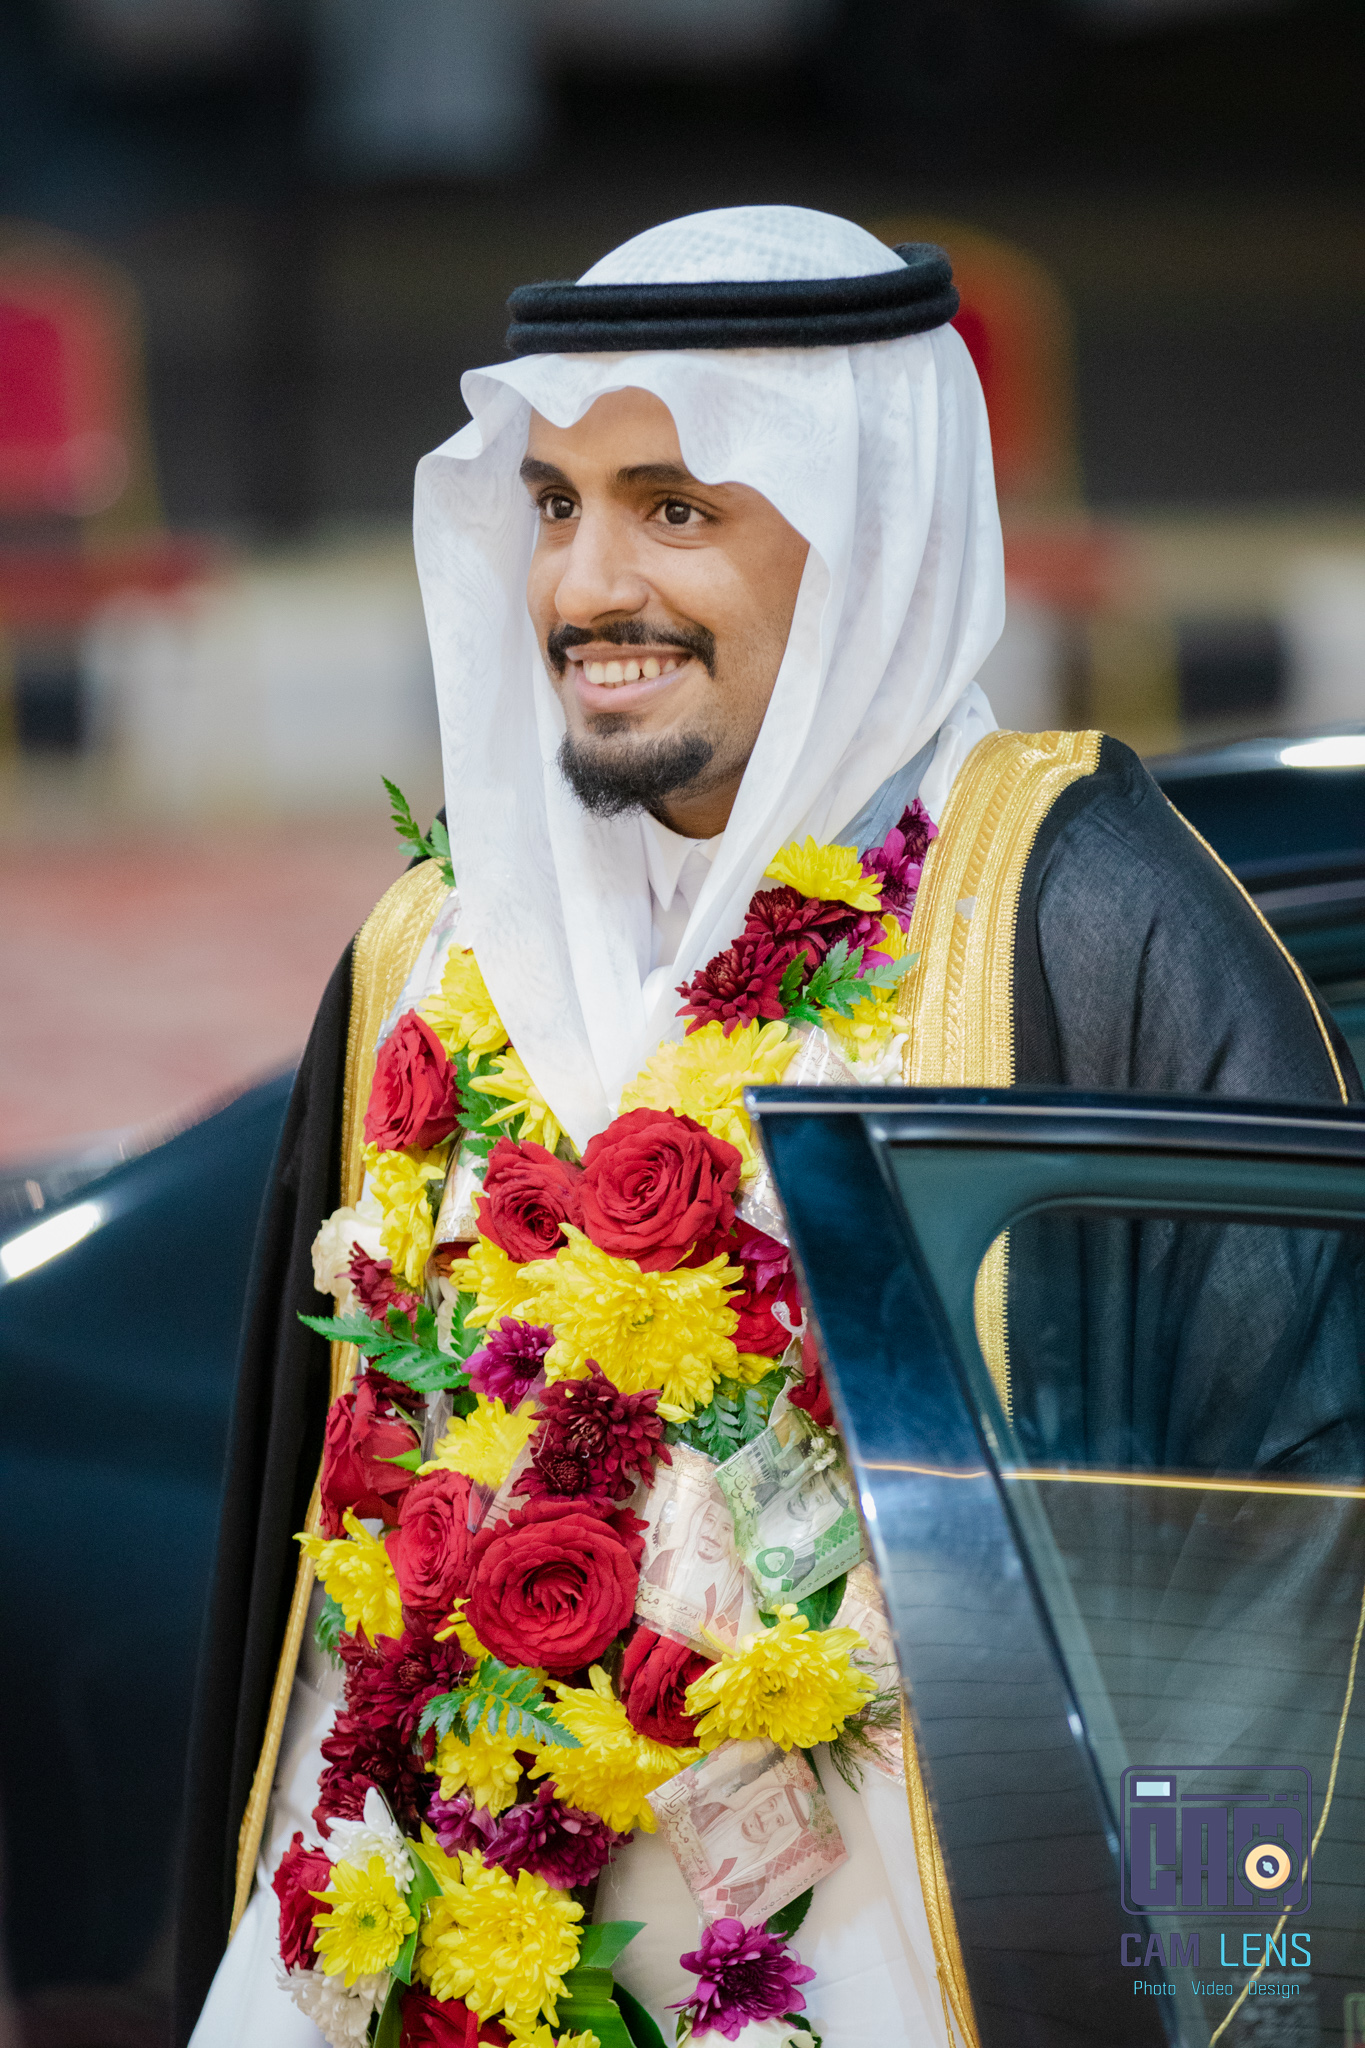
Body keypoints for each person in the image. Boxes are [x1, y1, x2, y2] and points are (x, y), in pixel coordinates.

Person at [175, 205, 1361, 2048]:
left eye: (675, 509)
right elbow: (327, 1592)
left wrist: (1217, 1994)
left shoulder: (1073, 922)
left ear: (868, 536)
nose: (584, 589)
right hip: (415, 1963)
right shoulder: (434, 956)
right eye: (555, 505)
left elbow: (1273, 1543)